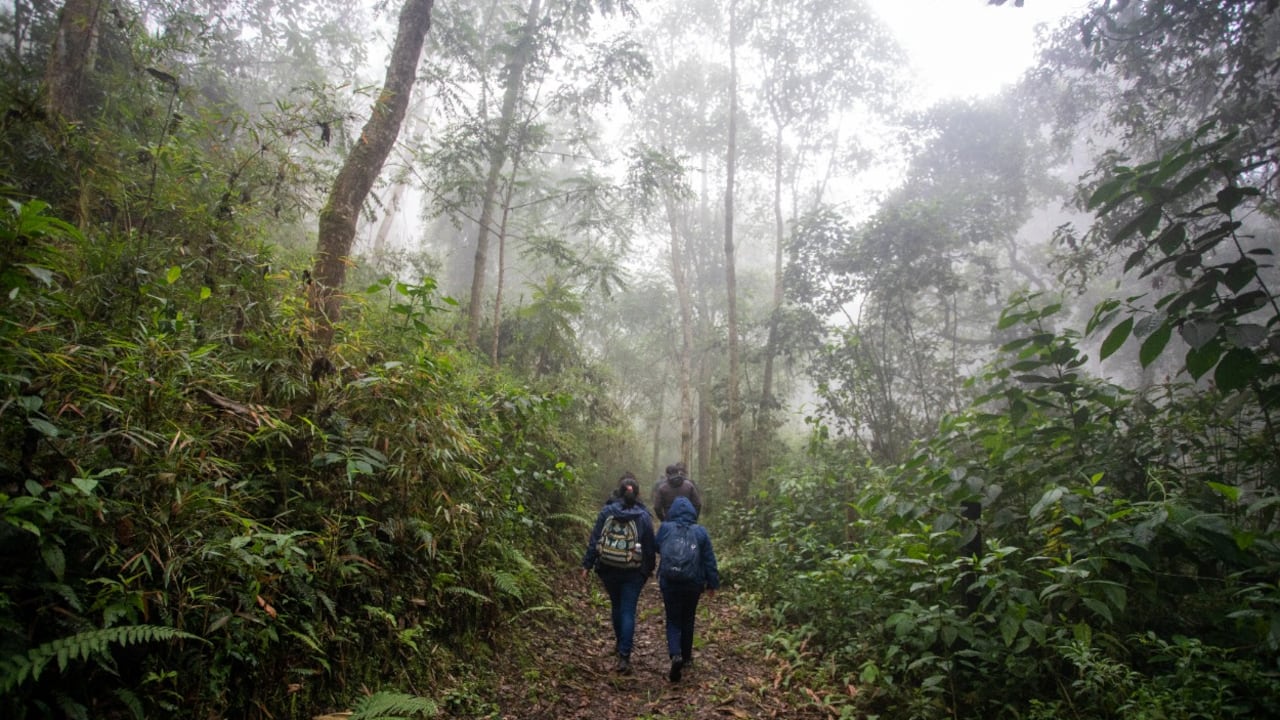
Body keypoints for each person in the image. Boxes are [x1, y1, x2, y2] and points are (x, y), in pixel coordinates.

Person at [581, 473, 656, 674]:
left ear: (618, 491)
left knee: (616, 605)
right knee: (628, 610)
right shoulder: (643, 516)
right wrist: (648, 569)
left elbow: (595, 539)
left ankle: (619, 642)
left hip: (608, 567)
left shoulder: (607, 512)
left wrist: (587, 565)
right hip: (633, 570)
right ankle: (624, 656)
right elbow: (649, 546)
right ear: (638, 493)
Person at [655, 495, 719, 682]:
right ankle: (687, 657)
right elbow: (709, 559)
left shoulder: (665, 528)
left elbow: (658, 547)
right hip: (694, 582)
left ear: (671, 511)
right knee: (688, 619)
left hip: (670, 581)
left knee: (673, 619)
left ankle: (675, 654)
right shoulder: (700, 532)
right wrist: (712, 583)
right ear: (693, 511)